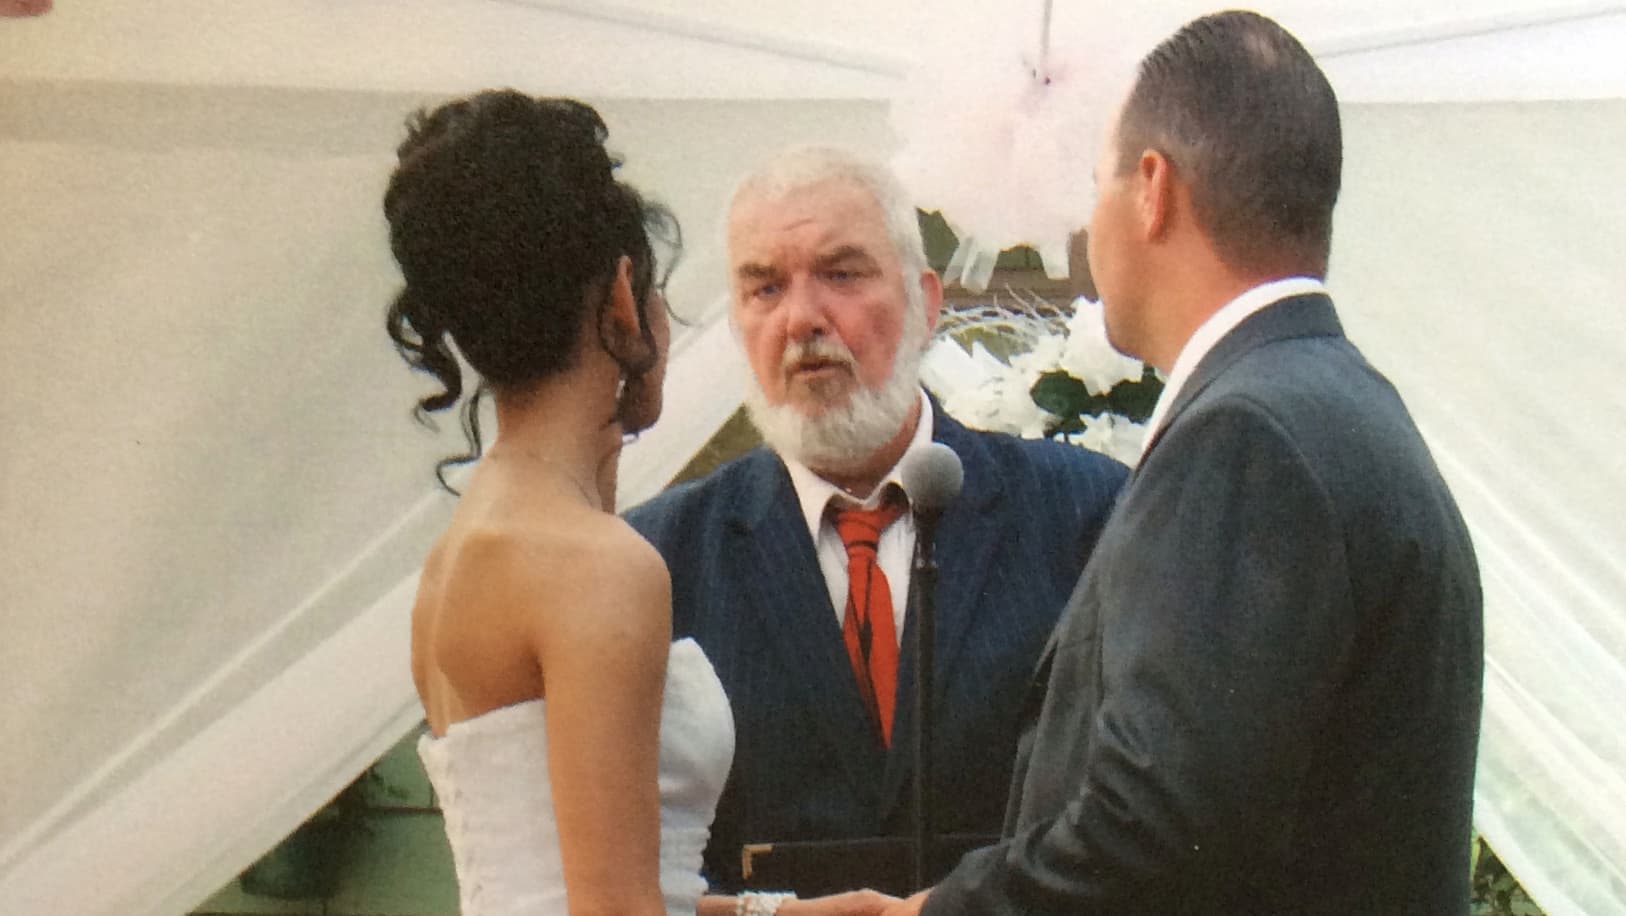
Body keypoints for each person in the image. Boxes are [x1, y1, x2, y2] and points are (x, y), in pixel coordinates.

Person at [886, 11, 1485, 916]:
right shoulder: (1346, 407)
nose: (1089, 230)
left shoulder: (1248, 438)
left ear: (1152, 188)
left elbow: (1157, 827)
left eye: (1097, 184)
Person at [387, 90, 893, 916]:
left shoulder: (459, 556)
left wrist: (788, 914)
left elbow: (554, 880)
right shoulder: (595, 564)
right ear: (624, 300)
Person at [625, 147, 1129, 902]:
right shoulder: (658, 560)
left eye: (842, 273)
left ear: (928, 302)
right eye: (764, 287)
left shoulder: (1084, 515)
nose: (801, 318)